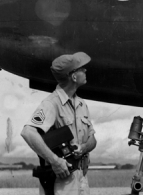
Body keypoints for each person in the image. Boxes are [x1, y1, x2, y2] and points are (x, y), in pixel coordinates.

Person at [21, 52, 97, 195]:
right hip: (61, 182)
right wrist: (55, 161)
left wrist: (84, 147)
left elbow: (93, 139)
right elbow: (28, 132)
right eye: (81, 68)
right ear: (74, 77)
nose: (85, 70)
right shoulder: (52, 103)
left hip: (82, 178)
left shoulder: (82, 104)